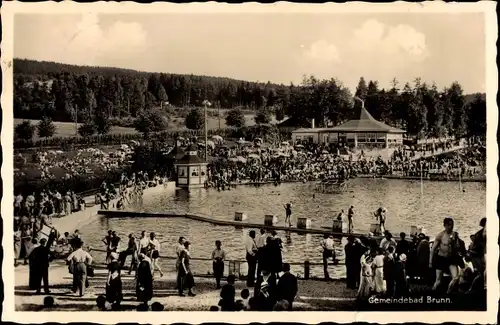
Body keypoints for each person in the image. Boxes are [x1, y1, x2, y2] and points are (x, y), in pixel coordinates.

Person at [429, 217, 464, 294]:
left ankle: (448, 293)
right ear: (444, 225)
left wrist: (454, 242)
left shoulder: (455, 235)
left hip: (451, 259)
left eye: (452, 225)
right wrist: (430, 262)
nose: (450, 227)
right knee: (438, 280)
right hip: (441, 258)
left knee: (456, 278)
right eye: (448, 225)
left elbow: (458, 247)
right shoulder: (440, 235)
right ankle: (432, 293)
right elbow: (433, 250)